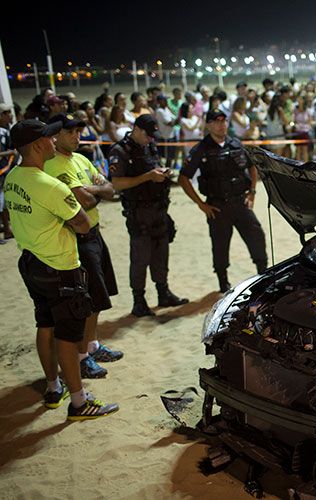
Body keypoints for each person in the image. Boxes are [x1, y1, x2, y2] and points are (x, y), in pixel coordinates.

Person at [6, 119, 119, 419]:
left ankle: (54, 387)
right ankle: (80, 402)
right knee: (68, 336)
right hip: (59, 266)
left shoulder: (13, 177)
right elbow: (82, 223)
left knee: (45, 325)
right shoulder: (50, 186)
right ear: (39, 145)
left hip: (30, 262)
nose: (54, 142)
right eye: (49, 138)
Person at [44, 114, 122, 379]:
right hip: (77, 236)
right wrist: (94, 191)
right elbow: (84, 202)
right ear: (57, 135)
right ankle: (81, 357)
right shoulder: (54, 165)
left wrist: (92, 191)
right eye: (72, 132)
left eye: (79, 131)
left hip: (95, 233)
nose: (77, 136)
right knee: (85, 299)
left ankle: (92, 345)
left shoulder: (81, 159)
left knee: (99, 297)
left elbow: (111, 190)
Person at [178, 109, 268, 292]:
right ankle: (223, 281)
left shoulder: (236, 144)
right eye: (217, 121)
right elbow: (183, 178)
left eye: (224, 121)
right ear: (209, 125)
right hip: (217, 206)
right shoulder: (201, 149)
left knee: (256, 236)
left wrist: (252, 192)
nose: (222, 125)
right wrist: (201, 204)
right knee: (220, 245)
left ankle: (263, 273)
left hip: (240, 202)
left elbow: (252, 167)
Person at [108, 115, 188, 316]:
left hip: (158, 210)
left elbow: (153, 169)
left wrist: (162, 173)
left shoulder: (149, 147)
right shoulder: (121, 150)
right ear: (136, 129)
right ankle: (139, 300)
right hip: (139, 212)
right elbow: (116, 183)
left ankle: (163, 293)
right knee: (140, 257)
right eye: (147, 134)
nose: (150, 139)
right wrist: (148, 176)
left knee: (161, 253)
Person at [0, 103, 17, 242]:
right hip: (1, 171)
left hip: (6, 171)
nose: (10, 115)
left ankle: (8, 229)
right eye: (6, 113)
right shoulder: (1, 133)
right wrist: (10, 152)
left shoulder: (6, 130)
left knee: (5, 201)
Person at [154, 95, 177, 169]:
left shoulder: (166, 109)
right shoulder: (159, 111)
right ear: (159, 102)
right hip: (165, 137)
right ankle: (165, 173)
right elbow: (170, 123)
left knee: (171, 157)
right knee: (166, 157)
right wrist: (180, 118)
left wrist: (169, 108)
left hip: (172, 135)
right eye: (164, 100)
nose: (166, 102)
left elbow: (174, 116)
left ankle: (168, 173)